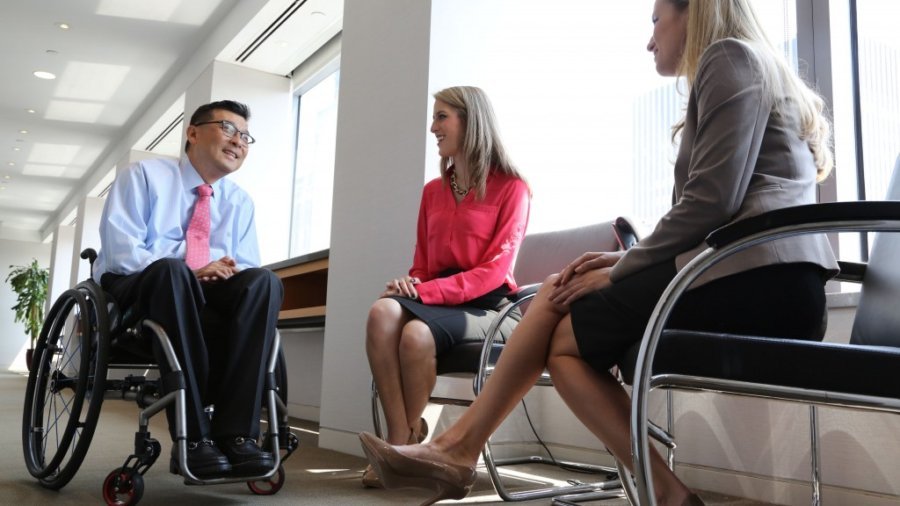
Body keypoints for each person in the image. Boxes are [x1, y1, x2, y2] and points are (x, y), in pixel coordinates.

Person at [358, 1, 839, 505]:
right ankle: (663, 493)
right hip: (754, 273)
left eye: (655, 21)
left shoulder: (729, 56)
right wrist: (619, 263)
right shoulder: (751, 64)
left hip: (757, 279)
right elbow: (718, 208)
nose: (650, 39)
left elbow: (711, 203)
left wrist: (623, 268)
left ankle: (458, 450)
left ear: (692, 11)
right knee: (564, 344)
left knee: (557, 293)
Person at [94, 100, 283, 479]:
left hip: (205, 294)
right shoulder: (143, 175)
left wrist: (221, 274)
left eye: (245, 136)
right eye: (228, 129)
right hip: (140, 286)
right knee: (172, 273)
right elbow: (122, 250)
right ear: (193, 132)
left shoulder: (239, 202)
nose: (238, 142)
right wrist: (192, 265)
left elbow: (244, 262)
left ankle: (237, 435)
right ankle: (194, 437)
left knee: (263, 282)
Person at [363, 86, 531, 488]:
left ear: (470, 121)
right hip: (438, 300)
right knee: (382, 311)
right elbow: (423, 264)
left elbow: (493, 272)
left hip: (492, 308)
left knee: (416, 336)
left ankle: (403, 452)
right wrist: (412, 283)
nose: (432, 127)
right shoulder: (432, 192)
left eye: (442, 117)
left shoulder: (513, 188)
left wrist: (424, 294)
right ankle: (401, 438)